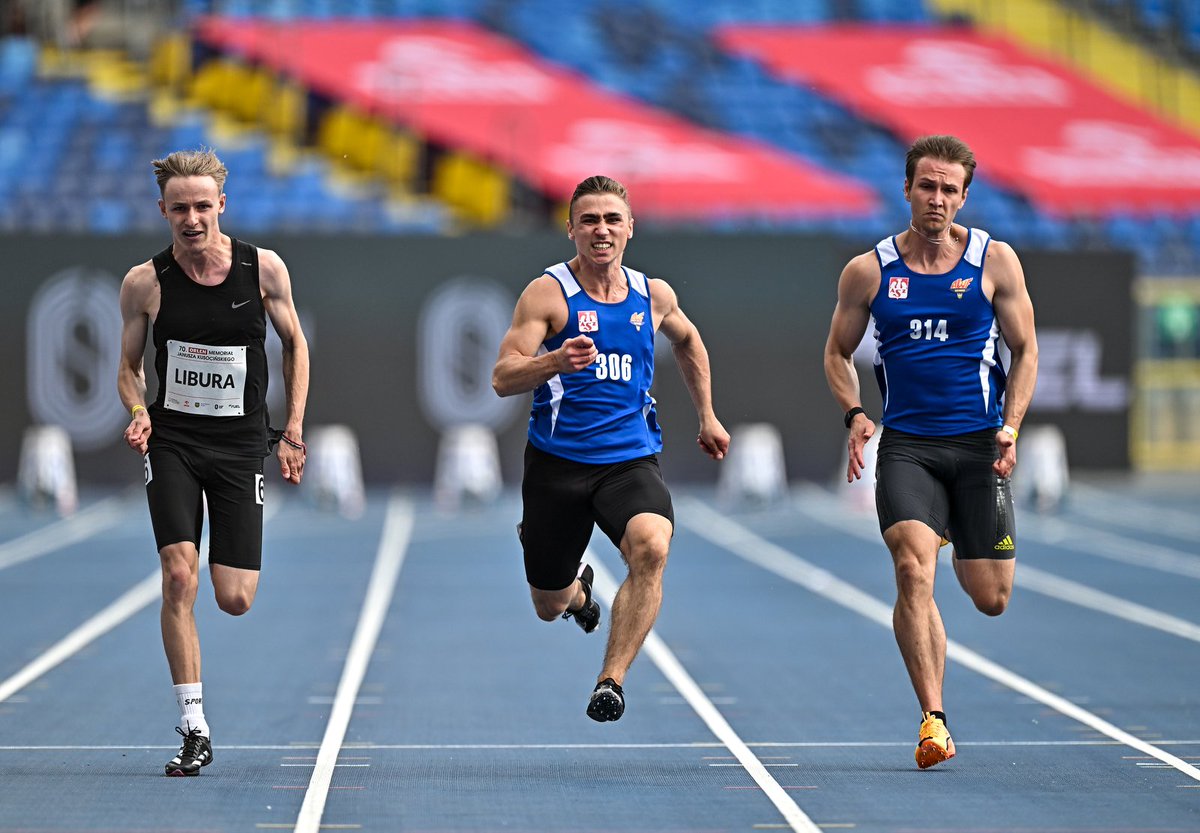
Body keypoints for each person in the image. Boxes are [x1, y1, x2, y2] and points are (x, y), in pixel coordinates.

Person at [823, 135, 1038, 769]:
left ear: (964, 196)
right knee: (913, 568)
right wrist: (856, 414)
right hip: (908, 446)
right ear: (908, 190)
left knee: (990, 596)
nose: (937, 199)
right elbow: (837, 352)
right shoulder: (869, 271)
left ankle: (952, 536)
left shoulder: (995, 262)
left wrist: (1011, 426)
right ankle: (934, 719)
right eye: (927, 186)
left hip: (979, 446)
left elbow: (1025, 351)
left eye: (949, 189)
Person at [492, 175, 730, 722]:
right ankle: (579, 594)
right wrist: (554, 361)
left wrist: (708, 415)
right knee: (548, 605)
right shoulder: (548, 294)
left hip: (628, 459)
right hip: (557, 463)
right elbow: (503, 377)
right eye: (590, 220)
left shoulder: (654, 295)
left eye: (612, 220)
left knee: (651, 546)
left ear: (630, 229)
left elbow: (689, 341)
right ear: (571, 228)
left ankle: (611, 681)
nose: (601, 230)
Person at [117, 148, 310, 776]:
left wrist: (293, 431)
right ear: (164, 211)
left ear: (222, 205)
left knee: (234, 597)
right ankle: (193, 724)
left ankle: (195, 713)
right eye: (180, 208)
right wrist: (138, 409)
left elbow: (295, 345)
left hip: (237, 447)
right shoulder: (145, 283)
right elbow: (127, 367)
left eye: (203, 206)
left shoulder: (262, 270)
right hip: (172, 441)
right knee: (180, 575)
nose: (192, 218)